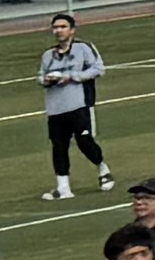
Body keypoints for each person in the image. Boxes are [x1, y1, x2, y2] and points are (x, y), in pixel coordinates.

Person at [37, 13, 108, 203]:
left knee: (85, 141)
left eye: (63, 27)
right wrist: (46, 80)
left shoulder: (83, 48)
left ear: (72, 30)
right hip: (55, 108)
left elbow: (98, 69)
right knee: (59, 146)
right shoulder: (48, 55)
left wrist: (72, 77)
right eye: (55, 27)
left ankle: (102, 168)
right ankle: (63, 187)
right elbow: (40, 76)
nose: (58, 31)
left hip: (79, 104)